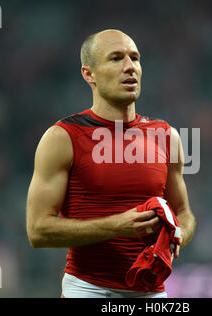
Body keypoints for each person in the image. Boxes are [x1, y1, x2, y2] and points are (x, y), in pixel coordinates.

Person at [26, 29, 196, 298]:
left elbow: (184, 213)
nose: (130, 67)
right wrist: (118, 226)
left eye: (135, 58)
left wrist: (178, 234)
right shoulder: (62, 137)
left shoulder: (167, 136)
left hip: (152, 292)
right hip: (89, 288)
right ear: (88, 74)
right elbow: (38, 231)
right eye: (116, 58)